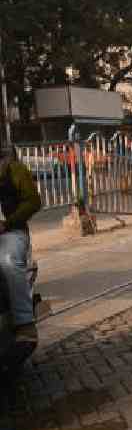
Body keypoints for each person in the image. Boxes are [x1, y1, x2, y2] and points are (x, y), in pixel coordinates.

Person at [0, 147, 42, 372]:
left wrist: (8, 222)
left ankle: (25, 324)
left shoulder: (14, 170)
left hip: (11, 232)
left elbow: (34, 201)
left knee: (7, 261)